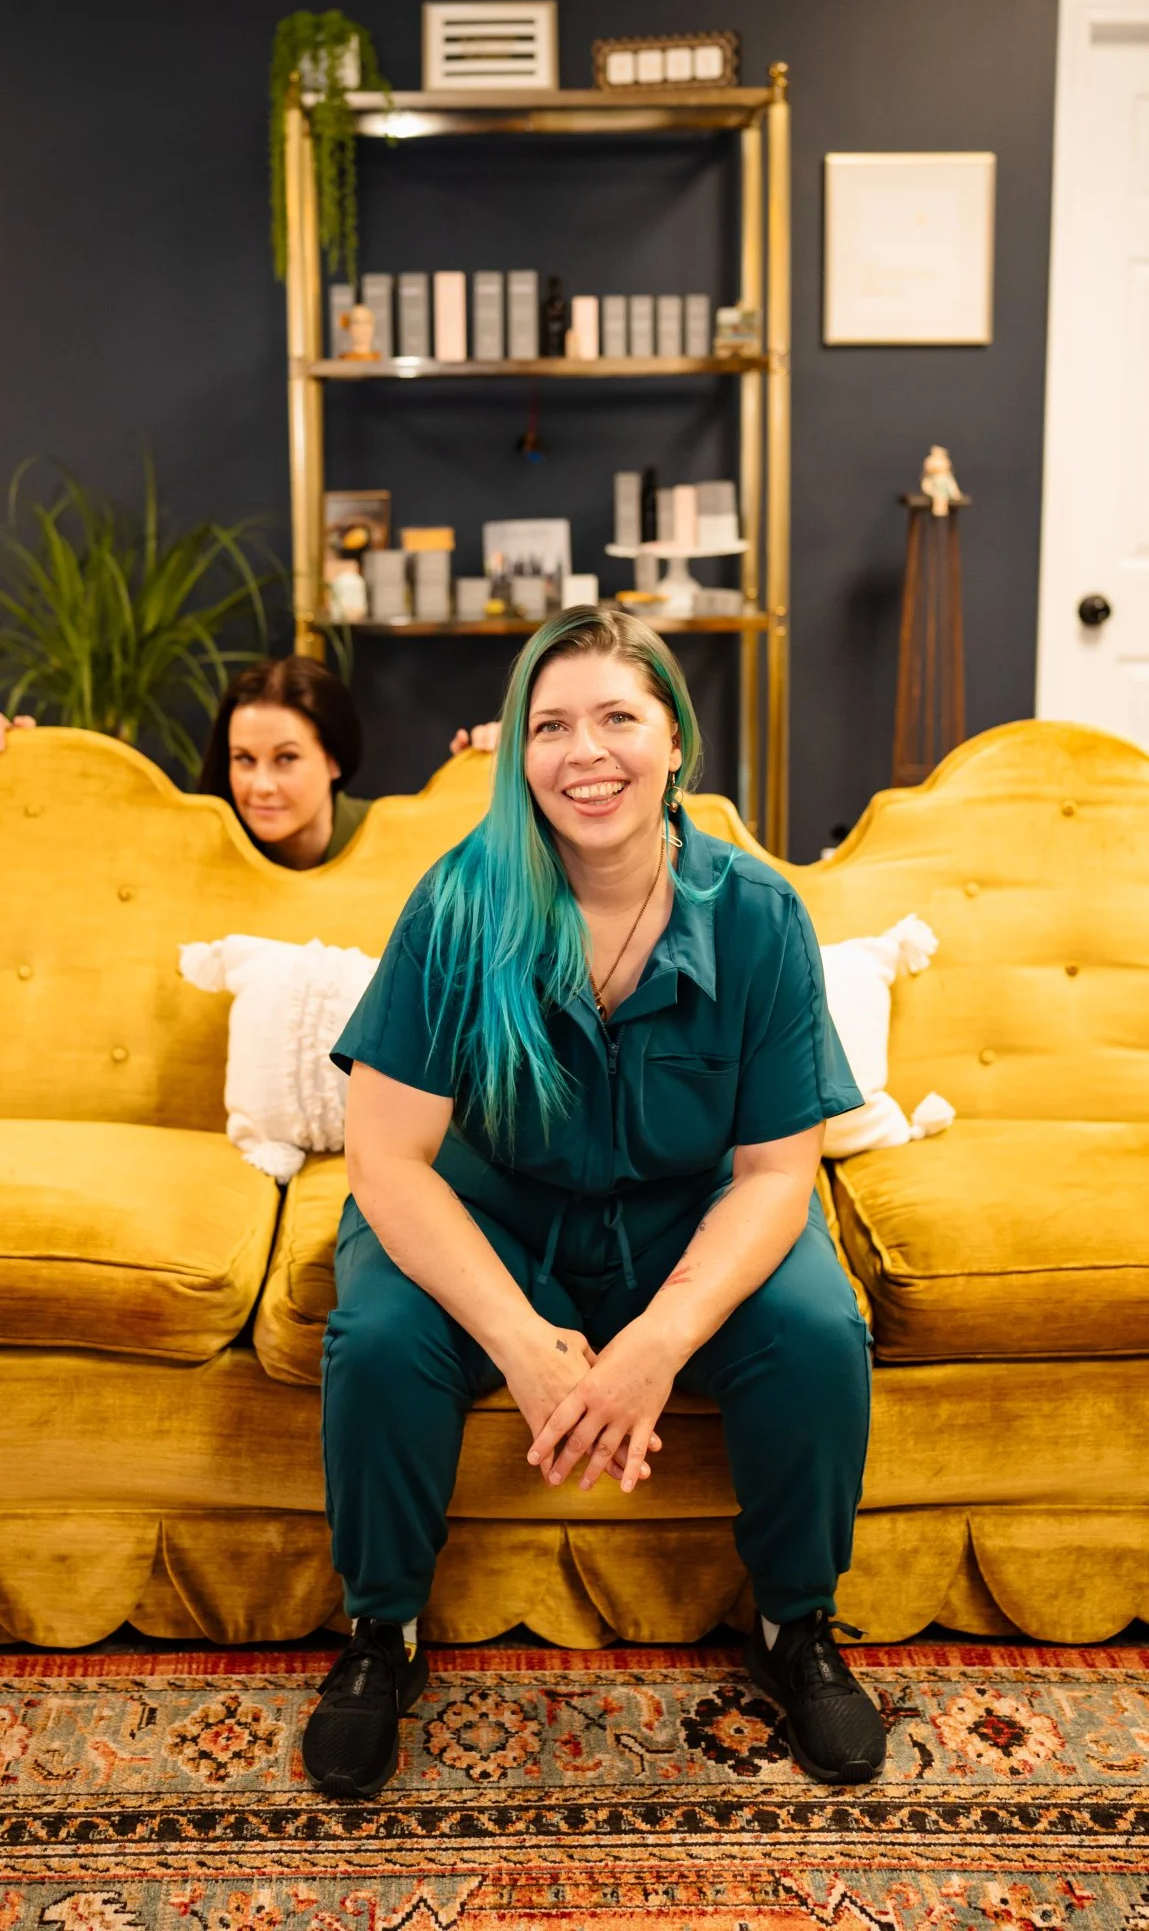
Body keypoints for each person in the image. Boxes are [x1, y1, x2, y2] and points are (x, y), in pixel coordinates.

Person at [303, 605, 884, 1801]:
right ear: (518, 751)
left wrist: (654, 1345)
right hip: (487, 1214)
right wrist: (524, 1342)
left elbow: (779, 1173)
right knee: (376, 1338)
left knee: (821, 1329)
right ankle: (382, 1634)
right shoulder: (460, 906)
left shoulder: (761, 916)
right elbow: (391, 1161)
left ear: (674, 740)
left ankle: (795, 1625)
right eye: (552, 723)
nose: (588, 751)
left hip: (687, 1220)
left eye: (619, 716)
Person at [0, 659, 500, 871]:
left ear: (332, 759)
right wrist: (16, 758)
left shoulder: (392, 843)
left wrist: (494, 769)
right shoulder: (196, 847)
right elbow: (79, 853)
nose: (260, 785)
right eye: (243, 759)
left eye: (286, 759)